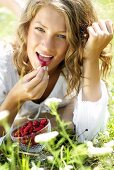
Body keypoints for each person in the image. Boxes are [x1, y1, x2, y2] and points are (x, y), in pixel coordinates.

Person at [0, 0, 113, 144]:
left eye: (62, 36)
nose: (47, 47)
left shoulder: (75, 67)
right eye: (40, 29)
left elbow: (90, 134)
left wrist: (91, 57)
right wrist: (14, 99)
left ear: (77, 40)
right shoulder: (4, 65)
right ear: (27, 27)